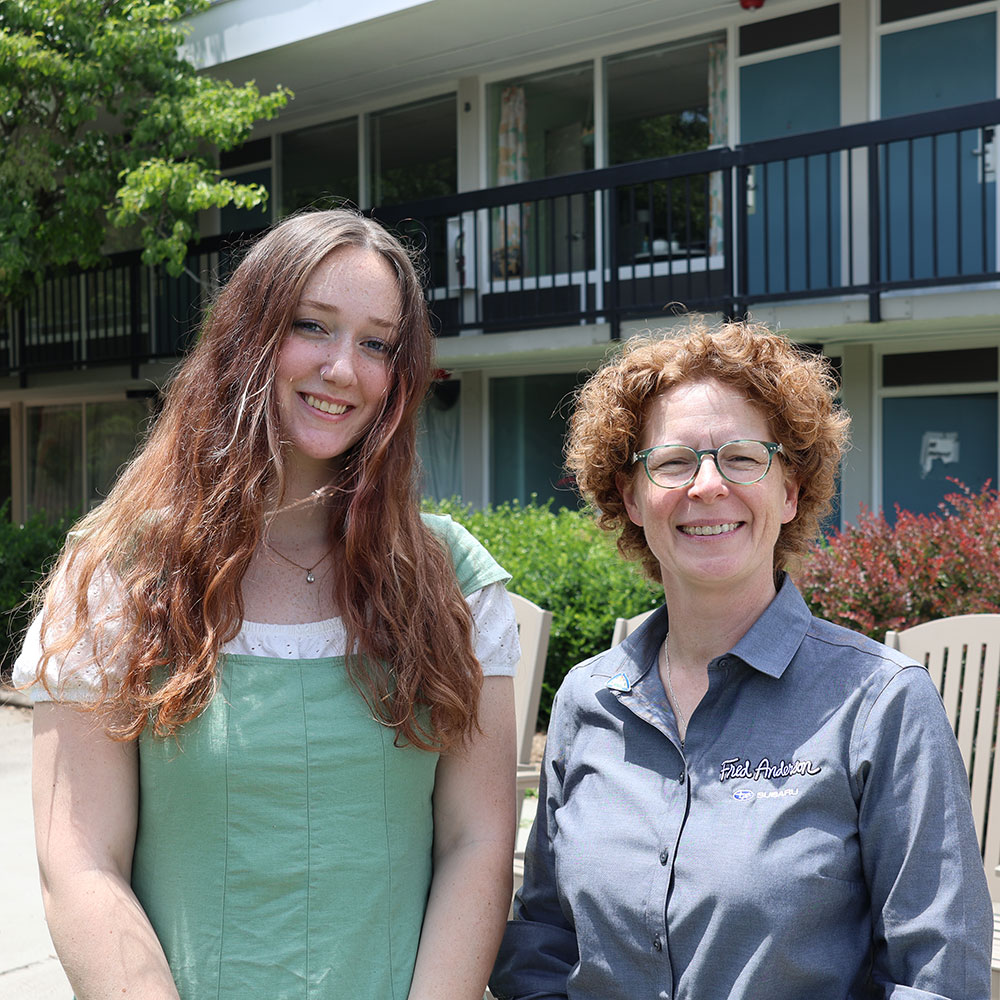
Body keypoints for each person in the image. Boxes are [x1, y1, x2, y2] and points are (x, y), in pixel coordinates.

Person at [15, 209, 519, 1000]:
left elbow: (478, 841)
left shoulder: (451, 577)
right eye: (312, 326)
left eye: (377, 343)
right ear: (247, 336)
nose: (343, 368)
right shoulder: (119, 572)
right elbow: (77, 859)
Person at [490, 321, 992, 1000]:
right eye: (672, 462)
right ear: (633, 497)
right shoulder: (589, 699)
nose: (706, 485)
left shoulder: (881, 703)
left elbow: (937, 978)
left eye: (743, 457)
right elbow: (544, 941)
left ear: (790, 491)